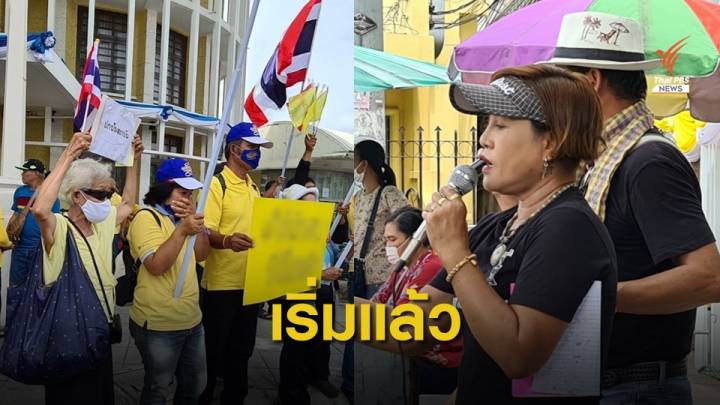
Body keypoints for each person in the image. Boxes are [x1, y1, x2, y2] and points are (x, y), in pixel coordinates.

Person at [394, 65, 618, 404]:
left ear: (551, 143)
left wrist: (454, 251)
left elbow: (519, 355)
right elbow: (415, 329)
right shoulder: (496, 226)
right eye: (487, 124)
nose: (484, 138)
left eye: (500, 125)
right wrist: (325, 318)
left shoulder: (569, 227)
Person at [545, 12, 720, 403]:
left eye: (562, 83)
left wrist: (595, 298)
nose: (555, 97)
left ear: (591, 80)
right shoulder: (602, 159)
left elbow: (709, 278)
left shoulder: (648, 162)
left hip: (637, 390)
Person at [32, 132, 142, 404]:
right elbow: (40, 211)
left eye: (110, 193)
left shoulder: (103, 224)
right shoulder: (59, 226)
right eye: (102, 193)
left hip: (99, 330)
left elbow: (128, 203)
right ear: (78, 196)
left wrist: (134, 160)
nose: (108, 200)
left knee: (100, 393)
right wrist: (68, 154)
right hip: (67, 334)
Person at [199, 122, 274, 405]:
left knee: (242, 350)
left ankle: (235, 397)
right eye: (251, 147)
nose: (256, 152)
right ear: (233, 149)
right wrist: (228, 241)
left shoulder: (253, 187)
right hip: (221, 285)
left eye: (258, 148)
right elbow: (205, 231)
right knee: (213, 350)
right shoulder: (216, 185)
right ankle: (204, 396)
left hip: (250, 283)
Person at [127, 158, 210, 404]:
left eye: (191, 193)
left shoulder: (186, 219)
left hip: (192, 320)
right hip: (158, 325)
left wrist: (199, 225)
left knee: (195, 385)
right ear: (164, 189)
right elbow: (156, 266)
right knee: (158, 388)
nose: (188, 198)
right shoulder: (147, 217)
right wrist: (183, 230)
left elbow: (202, 255)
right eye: (182, 192)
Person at [370, 206, 462, 399]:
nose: (388, 247)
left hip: (434, 363)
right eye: (386, 240)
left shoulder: (432, 267)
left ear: (416, 239)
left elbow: (402, 323)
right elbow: (378, 300)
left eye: (392, 240)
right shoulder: (405, 268)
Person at [343, 139, 409, 402]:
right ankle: (351, 385)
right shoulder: (358, 197)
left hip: (380, 279)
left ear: (364, 164)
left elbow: (410, 223)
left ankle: (371, 388)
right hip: (356, 274)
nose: (353, 167)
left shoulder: (389, 193)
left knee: (375, 338)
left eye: (354, 161)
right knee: (353, 333)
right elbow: (355, 235)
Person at [276, 183, 343, 405]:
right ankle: (291, 395)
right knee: (295, 348)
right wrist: (322, 273)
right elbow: (289, 270)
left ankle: (317, 377)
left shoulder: (316, 230)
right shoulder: (284, 233)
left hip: (322, 291)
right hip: (297, 295)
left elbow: (332, 251)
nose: (313, 212)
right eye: (307, 206)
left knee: (320, 339)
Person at [8, 159, 60, 286]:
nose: (22, 174)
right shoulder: (20, 192)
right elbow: (16, 214)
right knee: (15, 285)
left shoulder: (50, 195)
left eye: (25, 171)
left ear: (36, 173)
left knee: (37, 287)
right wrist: (9, 233)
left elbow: (56, 224)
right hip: (19, 249)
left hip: (39, 249)